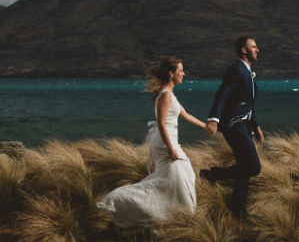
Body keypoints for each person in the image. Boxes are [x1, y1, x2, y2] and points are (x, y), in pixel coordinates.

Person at [97, 56, 207, 227]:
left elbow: (184, 114)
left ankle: (175, 216)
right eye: (180, 71)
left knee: (179, 176)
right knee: (179, 175)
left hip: (167, 140)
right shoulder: (165, 95)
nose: (183, 74)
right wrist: (171, 148)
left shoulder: (169, 94)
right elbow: (162, 124)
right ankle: (118, 201)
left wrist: (206, 126)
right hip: (165, 142)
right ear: (171, 74)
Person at [200, 37, 263, 220]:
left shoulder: (248, 71)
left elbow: (247, 104)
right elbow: (223, 94)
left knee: (245, 167)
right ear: (244, 50)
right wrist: (214, 119)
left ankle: (239, 212)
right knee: (253, 166)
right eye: (254, 47)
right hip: (234, 125)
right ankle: (213, 174)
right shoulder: (236, 70)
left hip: (244, 124)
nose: (257, 50)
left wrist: (256, 125)